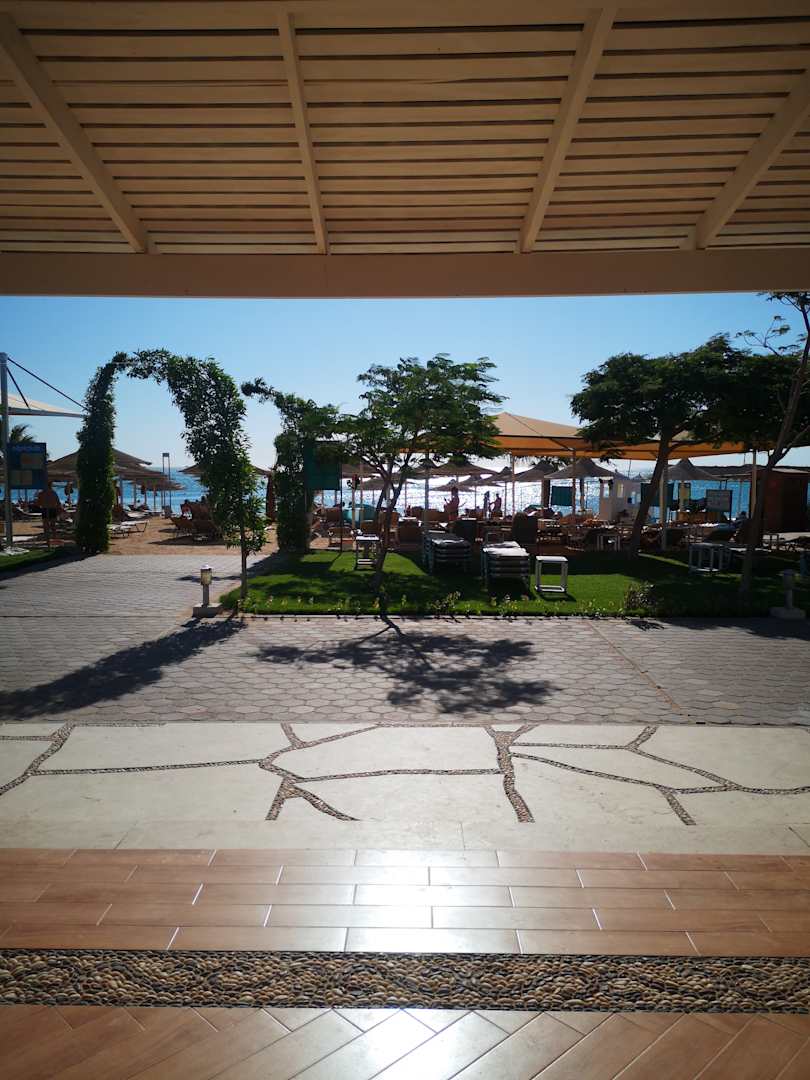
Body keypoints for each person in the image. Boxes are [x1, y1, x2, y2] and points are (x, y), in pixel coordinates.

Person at [35, 480, 61, 546]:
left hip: (45, 509)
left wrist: (40, 502)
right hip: (52, 509)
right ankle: (54, 539)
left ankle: (47, 541)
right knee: (53, 526)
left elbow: (38, 504)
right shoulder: (54, 493)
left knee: (46, 526)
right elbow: (58, 503)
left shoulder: (41, 493)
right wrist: (58, 510)